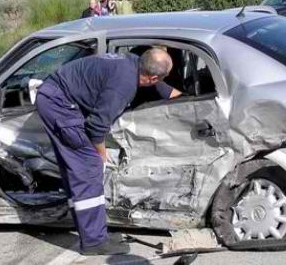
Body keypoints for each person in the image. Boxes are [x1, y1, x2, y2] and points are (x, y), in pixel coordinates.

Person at [36, 48, 180, 255]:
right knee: (88, 167)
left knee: (76, 168)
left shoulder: (132, 62)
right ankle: (94, 242)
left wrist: (183, 97)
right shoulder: (123, 87)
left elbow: (160, 87)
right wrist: (101, 156)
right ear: (152, 76)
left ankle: (89, 230)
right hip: (59, 105)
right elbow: (96, 127)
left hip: (55, 96)